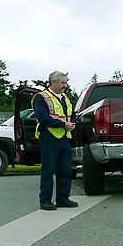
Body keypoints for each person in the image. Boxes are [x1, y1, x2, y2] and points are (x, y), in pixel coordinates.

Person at [32, 71, 77, 210]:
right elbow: (43, 118)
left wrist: (72, 123)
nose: (66, 85)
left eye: (66, 82)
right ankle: (45, 200)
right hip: (48, 137)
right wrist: (63, 125)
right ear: (53, 83)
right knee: (48, 169)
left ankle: (62, 198)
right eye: (63, 82)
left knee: (66, 169)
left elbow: (71, 114)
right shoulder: (41, 97)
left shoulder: (65, 98)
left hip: (63, 137)